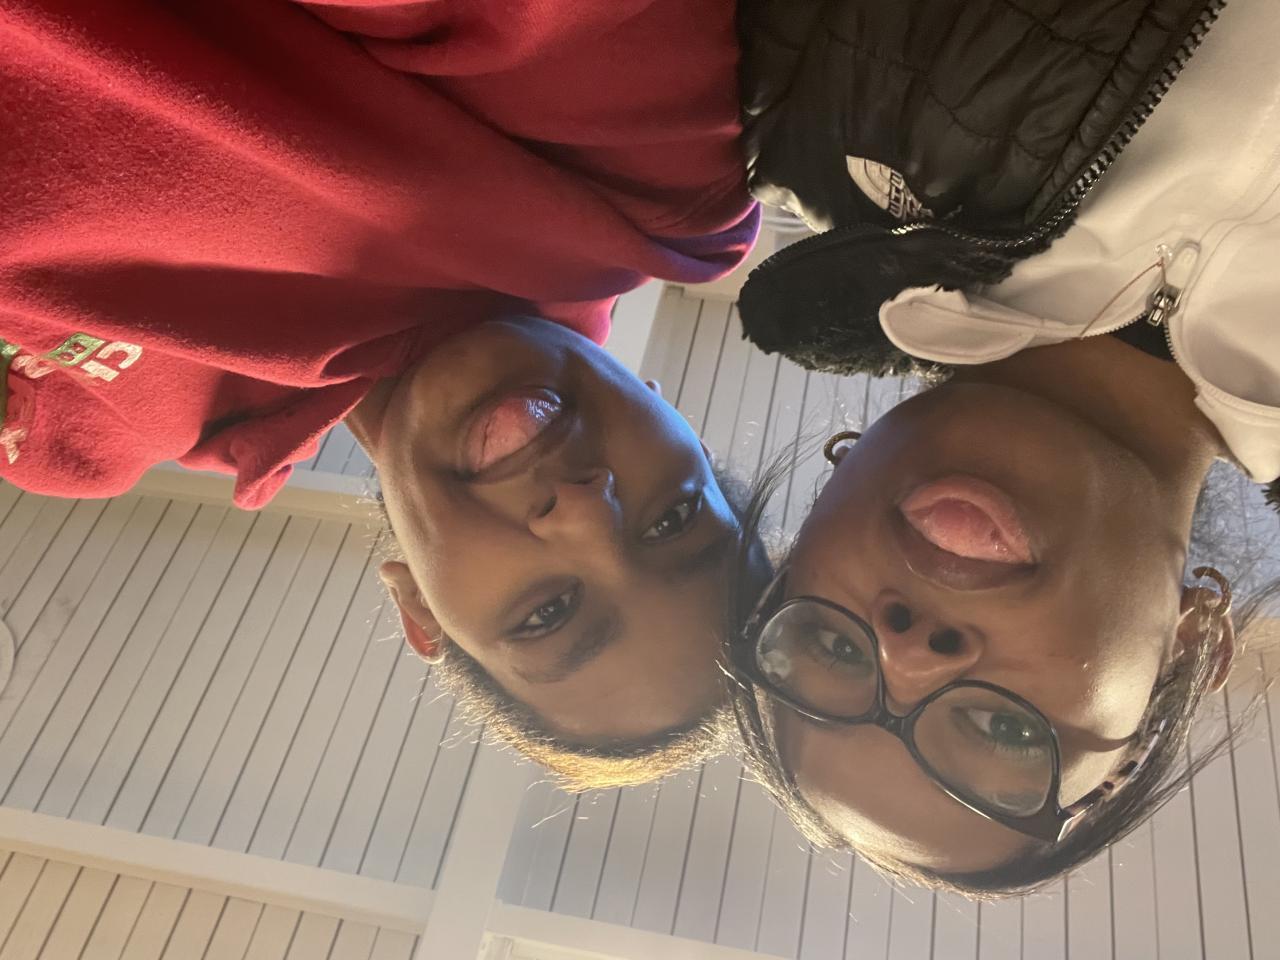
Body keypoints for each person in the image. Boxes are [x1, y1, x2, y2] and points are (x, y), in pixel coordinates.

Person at [0, 0, 770, 788]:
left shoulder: (88, 434)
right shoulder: (641, 184)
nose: (582, 512)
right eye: (675, 518)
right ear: (684, 431)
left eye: (547, 614)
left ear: (421, 612)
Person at [725, 0, 1280, 894]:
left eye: (830, 649)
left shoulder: (808, 109)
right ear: (1190, 652)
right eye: (1007, 732)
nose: (907, 652)